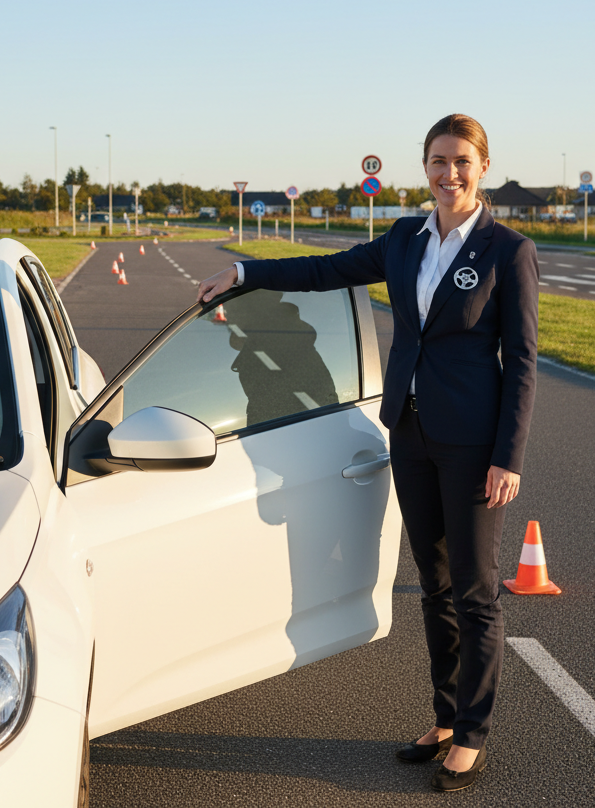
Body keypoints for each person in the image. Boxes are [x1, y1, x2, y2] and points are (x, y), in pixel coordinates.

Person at [197, 114, 538, 793]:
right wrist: (244, 270)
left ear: (483, 167)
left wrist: (509, 455)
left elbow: (522, 360)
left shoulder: (508, 250)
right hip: (409, 434)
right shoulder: (407, 237)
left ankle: (472, 734)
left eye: (462, 162)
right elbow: (328, 270)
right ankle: (445, 717)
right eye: (439, 162)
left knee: (474, 592)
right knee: (434, 585)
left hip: (474, 445)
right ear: (426, 167)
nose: (450, 174)